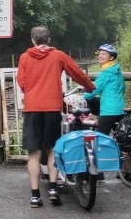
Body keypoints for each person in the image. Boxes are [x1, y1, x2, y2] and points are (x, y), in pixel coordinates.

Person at [16, 26, 95, 208]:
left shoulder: (25, 57)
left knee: (34, 153)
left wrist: (33, 91)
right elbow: (76, 73)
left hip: (32, 108)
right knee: (52, 149)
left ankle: (35, 196)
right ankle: (52, 189)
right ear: (48, 40)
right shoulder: (58, 55)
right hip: (52, 108)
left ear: (33, 40)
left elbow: (22, 82)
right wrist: (90, 87)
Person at [83, 43, 125, 135]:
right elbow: (122, 89)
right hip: (121, 109)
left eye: (104, 54)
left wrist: (84, 97)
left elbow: (93, 90)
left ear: (111, 58)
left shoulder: (106, 72)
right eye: (100, 53)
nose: (100, 56)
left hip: (108, 111)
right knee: (118, 138)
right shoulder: (117, 71)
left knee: (100, 138)